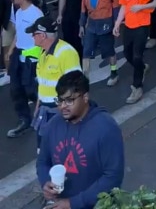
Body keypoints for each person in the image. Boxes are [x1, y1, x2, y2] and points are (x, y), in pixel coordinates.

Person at [37, 71, 124, 209]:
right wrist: (46, 182)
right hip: (59, 204)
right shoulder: (53, 125)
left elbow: (113, 177)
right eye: (60, 100)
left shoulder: (106, 128)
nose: (62, 106)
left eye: (69, 100)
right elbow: (42, 162)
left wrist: (73, 203)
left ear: (85, 97)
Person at [26, 16, 81, 146]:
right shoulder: (43, 53)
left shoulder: (66, 53)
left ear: (42, 35)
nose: (32, 37)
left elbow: (76, 86)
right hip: (45, 110)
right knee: (43, 150)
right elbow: (43, 83)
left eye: (34, 34)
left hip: (59, 110)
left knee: (60, 150)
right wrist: (38, 106)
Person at [113, 0, 156, 104]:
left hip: (142, 26)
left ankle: (137, 87)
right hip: (129, 25)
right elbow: (123, 5)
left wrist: (142, 6)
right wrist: (117, 23)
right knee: (128, 53)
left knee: (136, 55)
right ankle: (141, 67)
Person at [7, 0, 43, 137]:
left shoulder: (36, 13)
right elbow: (18, 33)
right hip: (18, 54)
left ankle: (44, 116)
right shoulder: (18, 12)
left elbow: (43, 36)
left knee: (32, 90)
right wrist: (10, 50)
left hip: (32, 58)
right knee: (16, 89)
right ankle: (24, 120)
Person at [80, 0, 119, 86]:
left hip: (106, 24)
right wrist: (81, 25)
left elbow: (116, 6)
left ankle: (114, 72)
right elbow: (83, 9)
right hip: (91, 25)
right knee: (86, 52)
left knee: (109, 51)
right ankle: (85, 78)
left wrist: (116, 24)